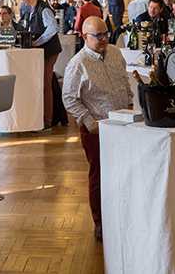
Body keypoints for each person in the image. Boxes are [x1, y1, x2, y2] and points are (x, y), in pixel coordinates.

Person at [62, 16, 132, 242]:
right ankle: (100, 221)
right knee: (99, 175)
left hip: (124, 123)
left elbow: (124, 82)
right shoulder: (78, 63)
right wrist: (90, 123)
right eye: (98, 36)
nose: (103, 39)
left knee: (124, 172)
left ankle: (122, 213)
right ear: (84, 37)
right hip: (98, 128)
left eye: (105, 34)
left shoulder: (115, 53)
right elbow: (69, 99)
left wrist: (130, 104)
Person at [19, 0, 62, 129]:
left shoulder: (43, 9)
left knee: (45, 84)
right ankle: (41, 116)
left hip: (49, 50)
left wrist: (37, 42)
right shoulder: (31, 9)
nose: (22, 0)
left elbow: (53, 29)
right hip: (40, 52)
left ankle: (47, 120)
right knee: (41, 83)